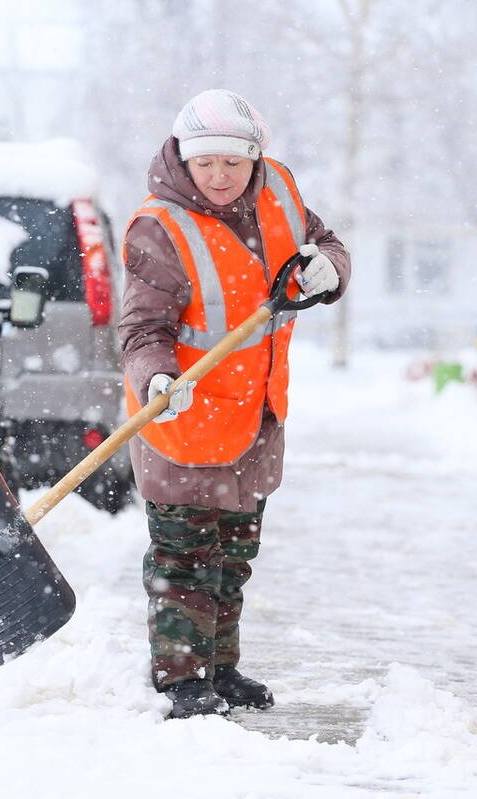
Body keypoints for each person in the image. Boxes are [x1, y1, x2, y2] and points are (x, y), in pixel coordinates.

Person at [119, 89, 351, 719]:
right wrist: (156, 380)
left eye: (232, 162)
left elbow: (325, 244)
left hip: (255, 415)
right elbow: (141, 331)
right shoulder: (160, 229)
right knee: (184, 559)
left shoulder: (278, 190)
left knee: (234, 554)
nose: (219, 176)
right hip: (184, 419)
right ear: (182, 160)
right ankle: (180, 678)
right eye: (204, 163)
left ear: (253, 157)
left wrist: (329, 269)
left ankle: (221, 668)